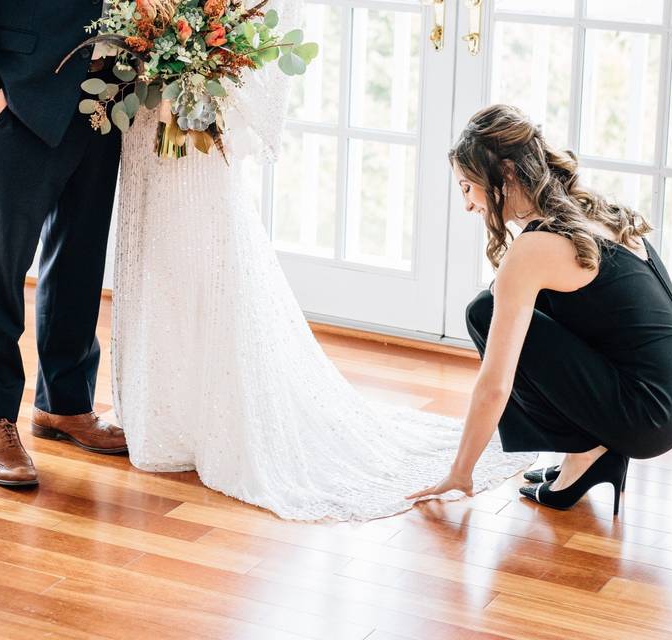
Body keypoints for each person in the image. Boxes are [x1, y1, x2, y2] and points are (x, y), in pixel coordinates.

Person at [108, 1, 533, 521]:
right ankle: (163, 411)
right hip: (146, 109)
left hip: (200, 113)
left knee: (207, 256)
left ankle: (219, 414)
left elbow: (267, 25)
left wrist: (207, 67)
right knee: (158, 259)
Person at [407, 104, 672, 515]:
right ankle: (586, 449)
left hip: (647, 415)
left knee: (485, 311)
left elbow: (495, 385)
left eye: (466, 187)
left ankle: (589, 451)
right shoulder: (588, 210)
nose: (468, 205)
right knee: (511, 304)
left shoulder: (536, 247)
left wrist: (461, 471)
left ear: (506, 175)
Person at [0, 0, 128, 487]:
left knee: (79, 257)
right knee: (1, 264)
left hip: (107, 89)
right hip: (19, 88)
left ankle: (65, 403)